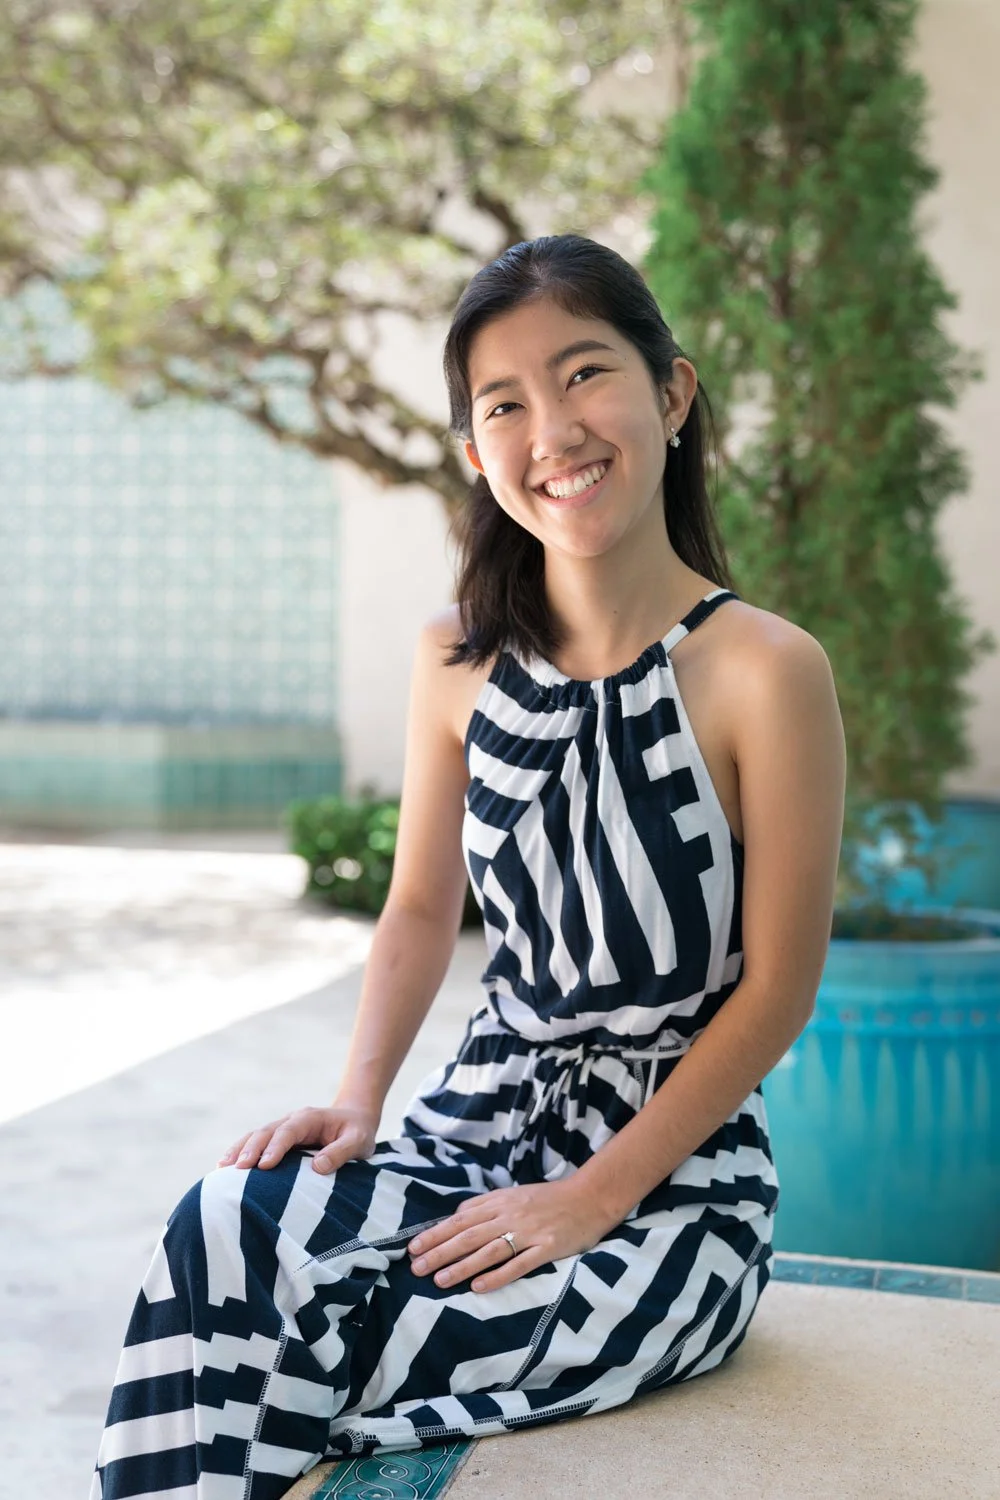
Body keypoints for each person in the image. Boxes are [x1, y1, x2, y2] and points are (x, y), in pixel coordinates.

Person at [90, 233, 846, 1498]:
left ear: (671, 392)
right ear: (472, 453)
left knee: (348, 1332)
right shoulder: (456, 656)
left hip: (670, 1192)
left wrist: (590, 1197)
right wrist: (359, 1100)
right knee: (226, 1226)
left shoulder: (768, 670)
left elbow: (778, 990)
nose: (552, 430)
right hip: (470, 1129)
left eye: (584, 374)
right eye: (504, 404)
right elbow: (418, 906)